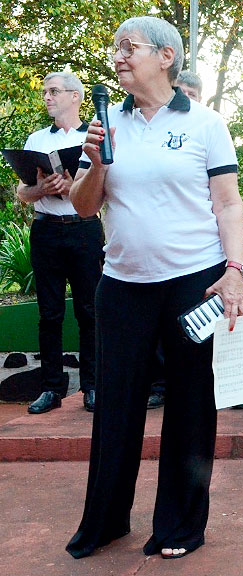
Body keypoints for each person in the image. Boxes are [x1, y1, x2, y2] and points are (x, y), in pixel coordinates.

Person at [65, 16, 243, 559]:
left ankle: (180, 526)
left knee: (191, 407)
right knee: (117, 407)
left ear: (166, 56)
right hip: (122, 284)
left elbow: (228, 203)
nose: (117, 56)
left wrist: (233, 269)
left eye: (130, 47)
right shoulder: (102, 125)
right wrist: (94, 162)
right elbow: (83, 205)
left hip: (193, 282)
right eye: (115, 47)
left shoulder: (205, 123)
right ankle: (106, 522)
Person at [15, 71, 103, 415]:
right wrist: (42, 190)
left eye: (53, 91)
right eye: (45, 92)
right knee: (49, 312)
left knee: (89, 310)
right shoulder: (35, 139)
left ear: (75, 96)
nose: (47, 97)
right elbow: (22, 192)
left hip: (83, 228)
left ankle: (92, 386)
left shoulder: (94, 135)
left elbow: (109, 188)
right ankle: (51, 388)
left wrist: (75, 189)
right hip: (46, 230)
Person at [144, 69, 203, 412]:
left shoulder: (208, 128)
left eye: (189, 96)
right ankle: (158, 383)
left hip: (194, 253)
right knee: (156, 329)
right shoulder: (149, 127)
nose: (182, 100)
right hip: (150, 253)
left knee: (190, 330)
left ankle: (185, 389)